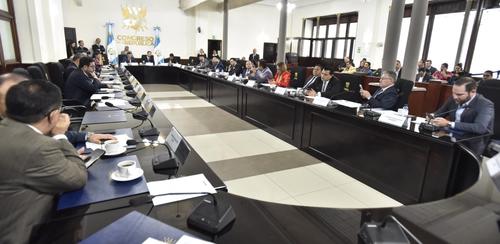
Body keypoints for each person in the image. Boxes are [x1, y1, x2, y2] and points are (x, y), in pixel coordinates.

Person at [0, 79, 87, 244]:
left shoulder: (7, 126)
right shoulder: (39, 147)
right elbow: (78, 178)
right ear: (53, 115)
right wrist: (60, 134)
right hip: (27, 234)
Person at [0, 73, 115, 146]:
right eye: (10, 96)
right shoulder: (8, 136)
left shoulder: (30, 115)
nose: (17, 100)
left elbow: (50, 134)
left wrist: (87, 136)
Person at [432, 77, 494, 155]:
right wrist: (432, 116)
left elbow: (480, 128)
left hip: (470, 144)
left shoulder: (485, 104)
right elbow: (439, 113)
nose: (454, 97)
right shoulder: (454, 99)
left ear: (473, 91)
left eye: (459, 94)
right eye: (453, 93)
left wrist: (449, 123)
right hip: (450, 138)